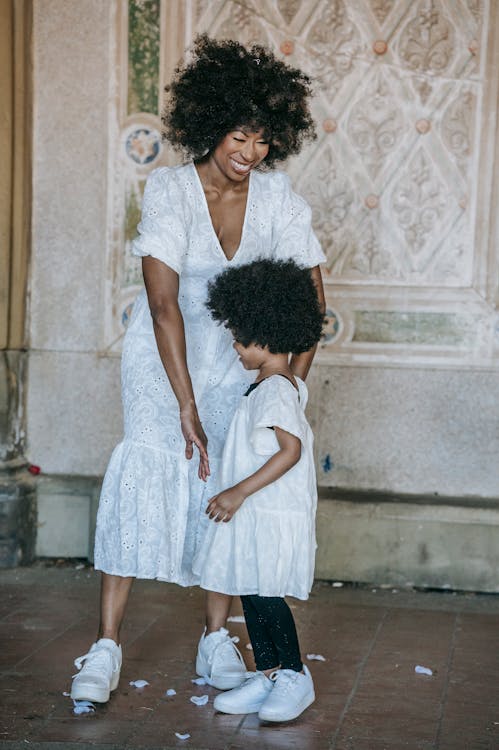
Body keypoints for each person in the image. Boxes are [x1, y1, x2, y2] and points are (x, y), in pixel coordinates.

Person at [70, 34, 325, 703]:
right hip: (164, 365)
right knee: (146, 478)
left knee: (225, 489)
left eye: (264, 139)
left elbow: (313, 297)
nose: (250, 153)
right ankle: (105, 646)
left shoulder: (278, 199)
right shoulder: (170, 189)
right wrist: (183, 402)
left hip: (240, 370)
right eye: (240, 136)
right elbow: (161, 304)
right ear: (212, 127)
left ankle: (216, 641)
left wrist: (289, 380)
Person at [193, 258, 324, 723]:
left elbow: (289, 452)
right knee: (250, 591)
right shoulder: (270, 383)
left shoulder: (274, 391)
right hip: (257, 515)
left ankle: (294, 674)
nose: (235, 347)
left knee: (266, 595)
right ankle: (268, 673)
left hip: (268, 512)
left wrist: (237, 493)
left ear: (266, 336)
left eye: (240, 338)